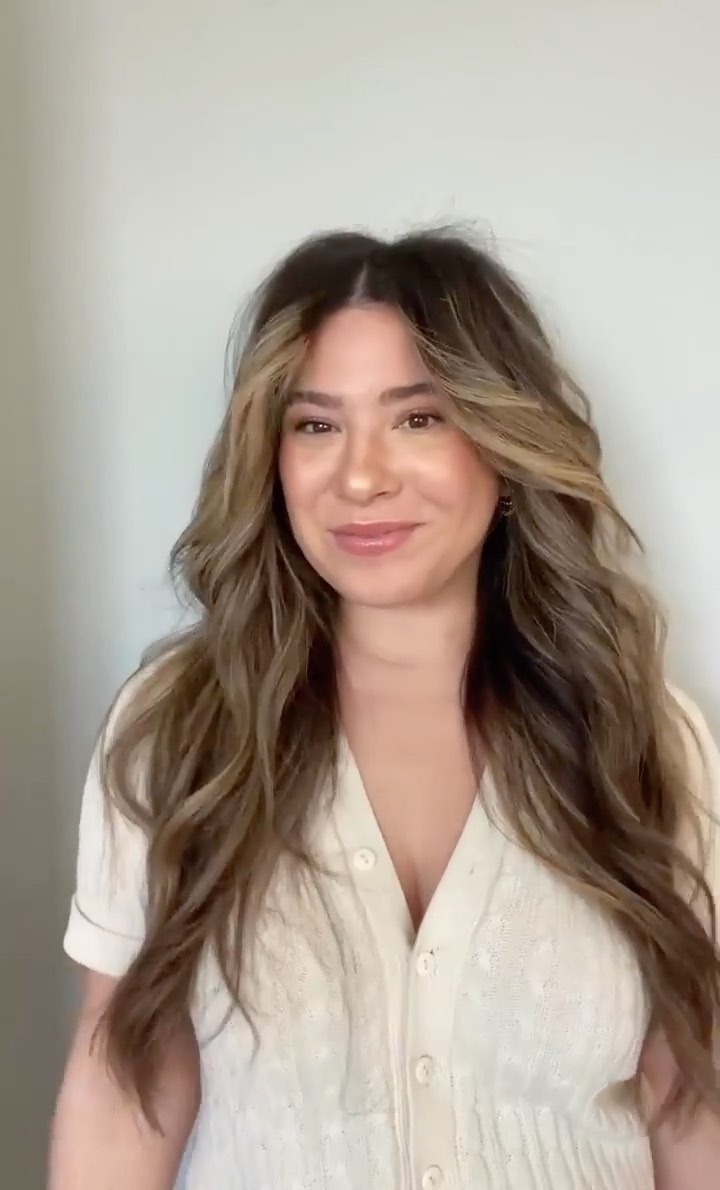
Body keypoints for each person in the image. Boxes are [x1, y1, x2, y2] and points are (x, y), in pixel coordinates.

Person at [50, 228, 720, 1189]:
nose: (362, 477)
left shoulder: (643, 735)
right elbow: (126, 1083)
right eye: (315, 426)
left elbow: (687, 1090)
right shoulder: (181, 729)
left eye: (419, 418)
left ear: (504, 441)